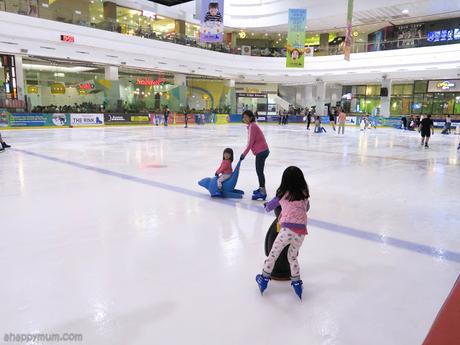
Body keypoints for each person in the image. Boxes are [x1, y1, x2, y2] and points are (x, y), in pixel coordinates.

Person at [255, 166, 310, 300]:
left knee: (273, 254)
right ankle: (297, 283)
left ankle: (264, 278)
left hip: (286, 230)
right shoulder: (304, 194)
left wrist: (266, 205)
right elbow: (307, 208)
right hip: (301, 231)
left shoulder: (282, 194)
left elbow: (269, 207)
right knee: (292, 257)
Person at [240, 110, 269, 201]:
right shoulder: (251, 126)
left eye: (246, 117)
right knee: (259, 172)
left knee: (259, 172)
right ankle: (261, 188)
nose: (244, 119)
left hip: (261, 151)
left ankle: (263, 192)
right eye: (243, 117)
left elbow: (250, 143)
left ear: (251, 117)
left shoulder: (253, 126)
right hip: (262, 151)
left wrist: (243, 154)